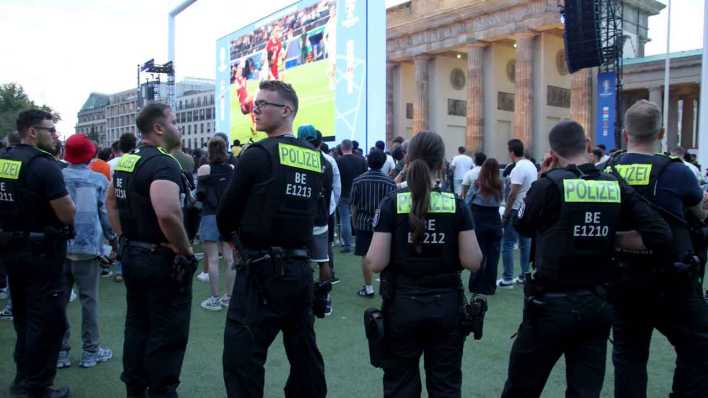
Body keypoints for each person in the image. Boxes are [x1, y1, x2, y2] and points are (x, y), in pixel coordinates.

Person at [500, 120, 673, 398]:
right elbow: (659, 233)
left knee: (521, 388)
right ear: (588, 146)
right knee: (585, 391)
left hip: (550, 305)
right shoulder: (613, 184)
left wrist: (544, 179)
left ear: (553, 154)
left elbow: (522, 226)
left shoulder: (550, 184)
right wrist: (607, 237)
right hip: (597, 304)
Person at [216, 80, 327, 397]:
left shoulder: (257, 155)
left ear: (287, 110)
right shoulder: (315, 158)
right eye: (256, 103)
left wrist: (239, 244)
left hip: (260, 271)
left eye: (265, 103)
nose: (256, 108)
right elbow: (320, 216)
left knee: (242, 359)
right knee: (304, 354)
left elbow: (226, 215)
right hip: (298, 271)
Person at [365, 131, 482, 397]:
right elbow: (474, 261)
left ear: (407, 160)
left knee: (400, 386)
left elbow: (375, 263)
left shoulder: (391, 204)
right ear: (441, 164)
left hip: (402, 306)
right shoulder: (457, 205)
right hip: (446, 307)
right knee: (445, 385)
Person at [604, 100, 708, 398]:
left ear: (625, 133)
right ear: (661, 132)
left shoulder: (607, 169)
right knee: (697, 346)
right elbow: (699, 215)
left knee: (628, 356)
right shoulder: (678, 172)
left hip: (623, 279)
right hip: (671, 280)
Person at [106, 103, 197, 398]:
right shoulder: (164, 163)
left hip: (133, 254)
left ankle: (135, 387)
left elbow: (110, 203)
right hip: (161, 259)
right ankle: (161, 391)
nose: (178, 127)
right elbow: (168, 213)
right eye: (174, 121)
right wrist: (184, 250)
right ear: (159, 128)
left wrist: (123, 238)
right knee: (166, 331)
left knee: (137, 324)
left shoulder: (126, 162)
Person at [1, 109, 76, 398]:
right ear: (33, 131)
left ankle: (24, 379)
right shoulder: (44, 166)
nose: (56, 135)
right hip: (42, 254)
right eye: (51, 129)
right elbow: (67, 213)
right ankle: (35, 387)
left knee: (24, 317)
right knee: (47, 322)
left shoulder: (4, 160)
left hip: (12, 251)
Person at [57, 134, 116, 369]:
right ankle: (91, 351)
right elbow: (105, 215)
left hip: (60, 246)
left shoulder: (57, 178)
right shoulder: (98, 180)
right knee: (89, 300)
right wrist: (113, 239)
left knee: (59, 301)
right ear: (89, 154)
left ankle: (61, 352)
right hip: (88, 248)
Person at [297, 125, 339, 315]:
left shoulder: (297, 159)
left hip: (300, 218)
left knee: (299, 260)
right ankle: (325, 299)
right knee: (323, 260)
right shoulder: (327, 162)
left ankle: (302, 298)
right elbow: (331, 190)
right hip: (321, 217)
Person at [196, 137, 235, 312]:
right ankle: (229, 296)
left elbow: (200, 196)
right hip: (227, 216)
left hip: (210, 215)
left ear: (209, 151)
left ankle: (215, 298)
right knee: (229, 258)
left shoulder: (205, 169)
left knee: (212, 259)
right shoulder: (232, 169)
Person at [351, 148, 396, 298]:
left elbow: (354, 205)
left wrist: (354, 222)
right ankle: (385, 285)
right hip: (383, 225)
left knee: (365, 255)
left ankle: (368, 287)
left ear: (368, 161)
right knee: (386, 255)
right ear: (383, 162)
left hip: (363, 223)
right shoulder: (389, 183)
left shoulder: (358, 181)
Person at [498, 139, 536, 288]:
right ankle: (524, 276)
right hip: (526, 209)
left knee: (507, 243)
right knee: (525, 244)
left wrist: (505, 214)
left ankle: (507, 278)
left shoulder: (518, 168)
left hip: (515, 209)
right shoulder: (531, 165)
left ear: (511, 152)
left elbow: (512, 194)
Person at [466, 158, 503, 295]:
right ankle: (490, 286)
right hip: (494, 220)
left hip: (479, 220)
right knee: (493, 255)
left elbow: (467, 201)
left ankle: (475, 284)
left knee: (478, 254)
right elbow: (501, 200)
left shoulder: (477, 184)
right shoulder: (500, 184)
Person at [336, 139, 367, 253]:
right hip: (359, 193)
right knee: (360, 218)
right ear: (352, 147)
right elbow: (365, 176)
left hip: (344, 193)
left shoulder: (338, 161)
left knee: (345, 219)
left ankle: (347, 245)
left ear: (342, 147)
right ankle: (360, 242)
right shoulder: (361, 160)